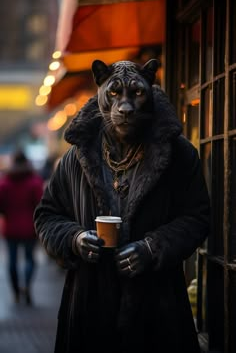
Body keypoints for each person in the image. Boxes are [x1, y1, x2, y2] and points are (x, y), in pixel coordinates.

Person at [34, 59, 210, 353]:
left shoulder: (179, 155)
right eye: (115, 94)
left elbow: (198, 217)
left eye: (136, 94)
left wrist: (152, 247)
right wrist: (74, 239)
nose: (125, 107)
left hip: (158, 313)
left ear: (150, 91)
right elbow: (46, 215)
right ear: (100, 88)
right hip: (89, 312)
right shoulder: (76, 157)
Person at [0, 149, 44, 304]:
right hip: (29, 227)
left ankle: (16, 292)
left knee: (11, 261)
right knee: (30, 259)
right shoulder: (34, 181)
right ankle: (27, 286)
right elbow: (41, 205)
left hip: (10, 227)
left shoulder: (5, 182)